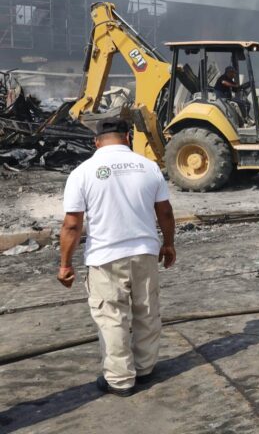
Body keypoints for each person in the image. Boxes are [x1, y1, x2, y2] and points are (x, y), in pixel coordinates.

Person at [57, 118, 176, 397]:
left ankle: (120, 380)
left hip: (105, 257)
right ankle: (145, 369)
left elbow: (72, 224)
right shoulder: (149, 167)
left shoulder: (83, 172)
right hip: (144, 252)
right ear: (127, 137)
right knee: (146, 310)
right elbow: (166, 212)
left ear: (96, 142)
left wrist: (65, 264)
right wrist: (168, 244)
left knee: (112, 317)